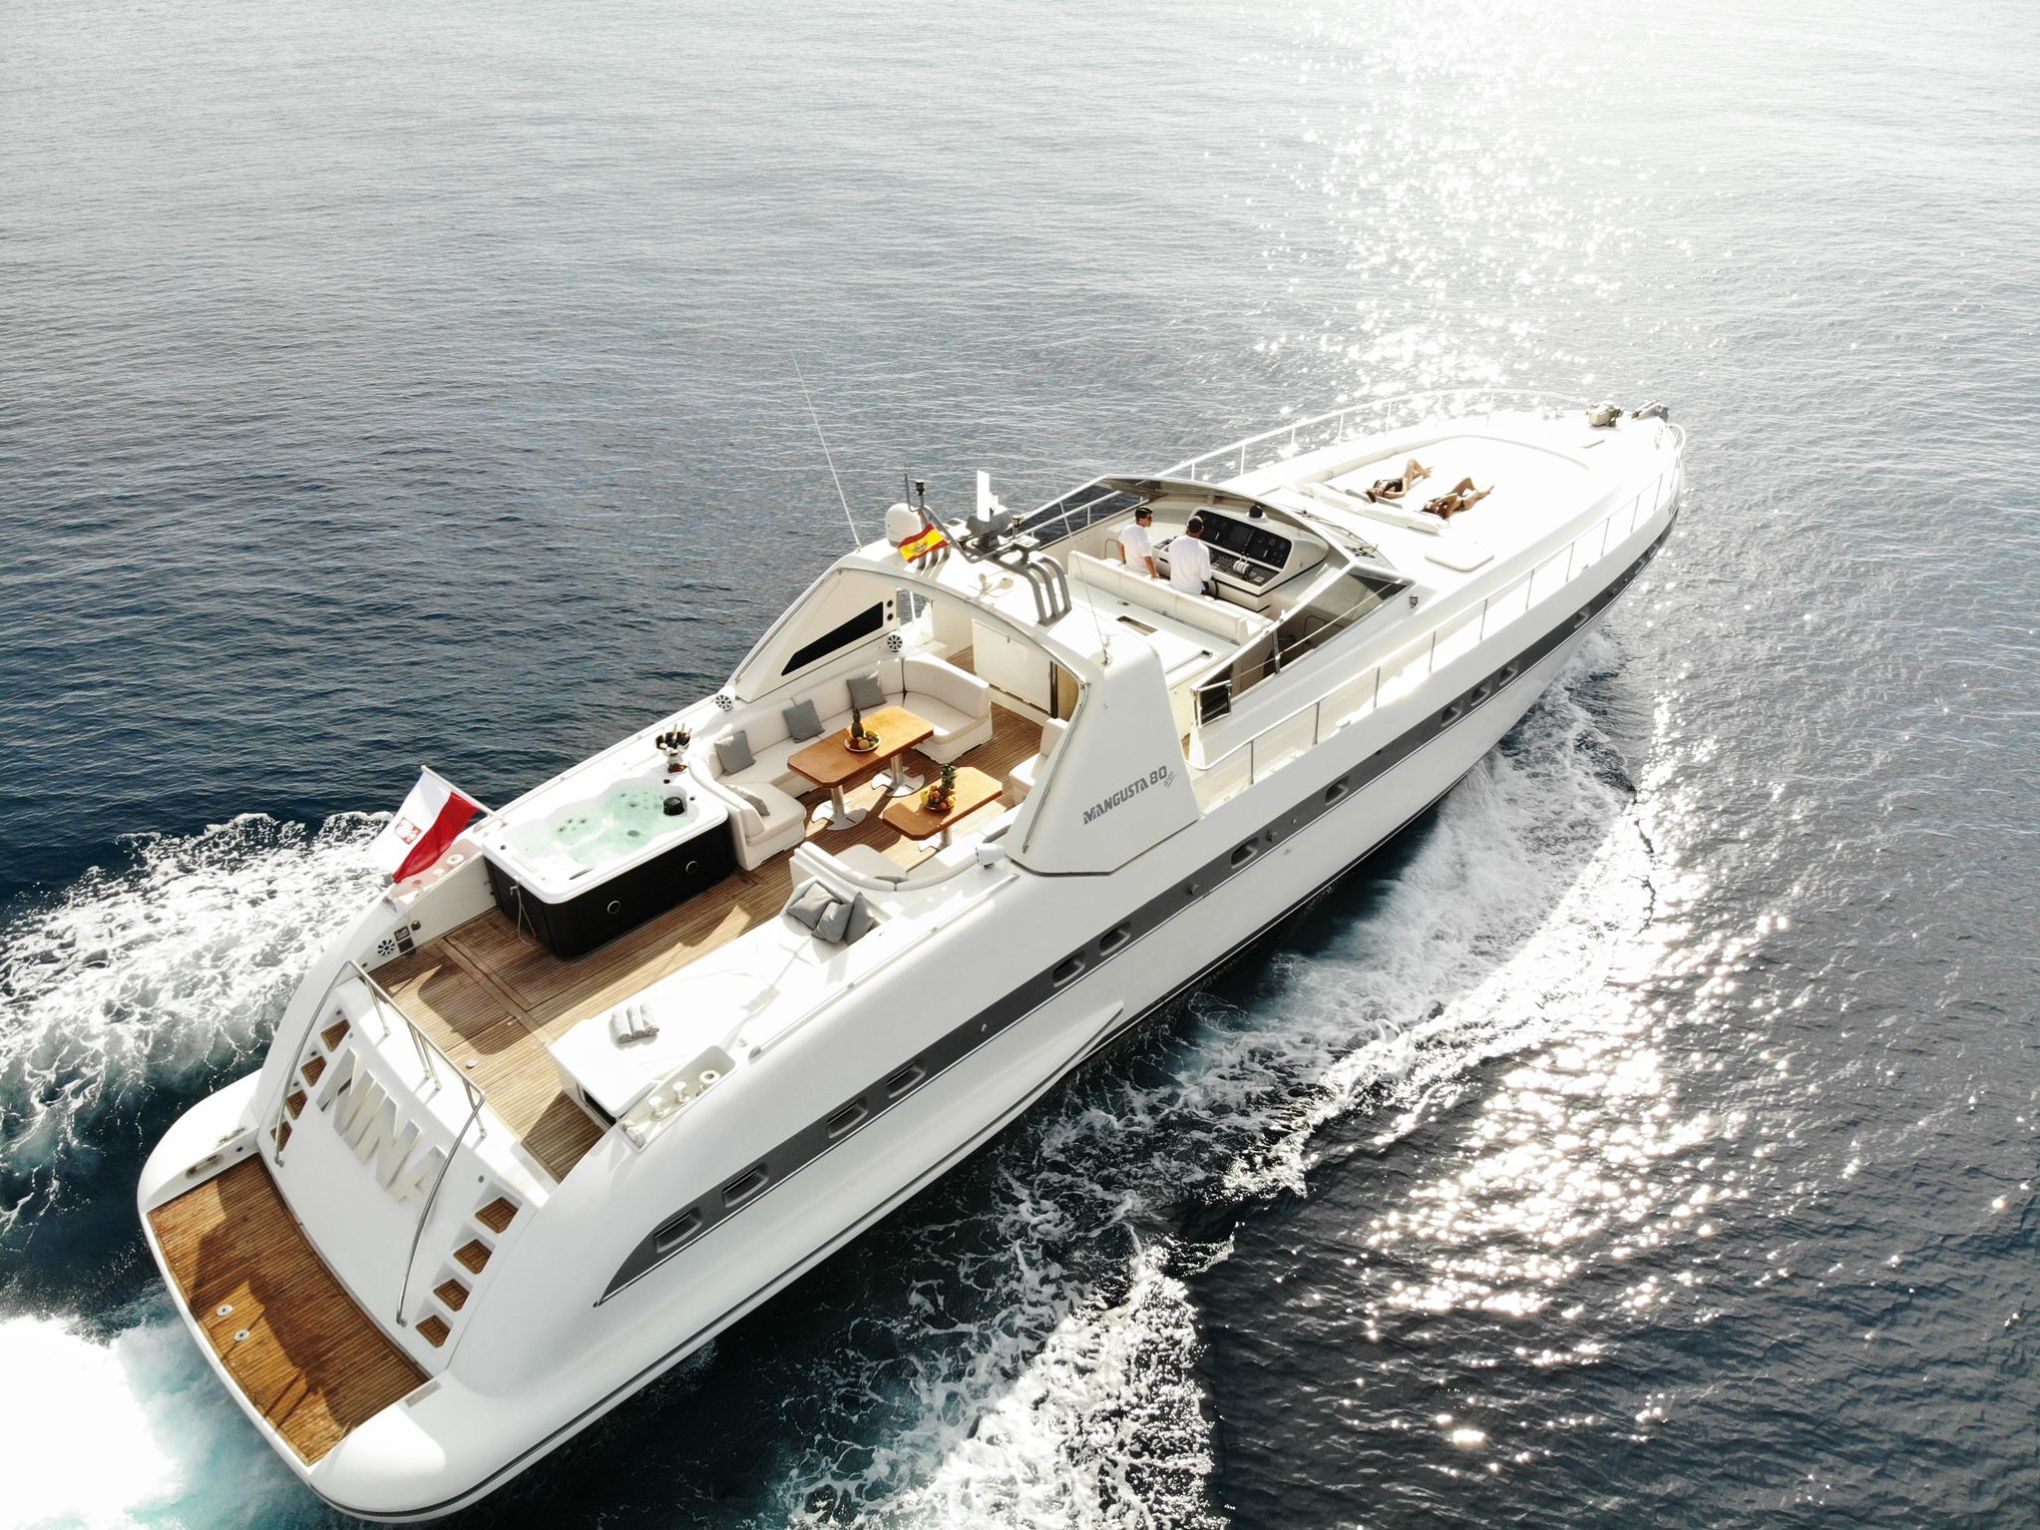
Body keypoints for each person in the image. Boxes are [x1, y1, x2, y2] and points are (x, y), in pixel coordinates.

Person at [1168, 514, 1214, 596]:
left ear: (1187, 527)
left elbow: (1171, 561)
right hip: (1193, 592)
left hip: (1174, 586)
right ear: (1201, 530)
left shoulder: (1175, 542)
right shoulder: (1203, 550)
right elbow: (1206, 577)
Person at [1117, 505, 1159, 577]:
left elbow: (1119, 544)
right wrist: (1155, 576)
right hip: (1143, 573)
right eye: (1149, 518)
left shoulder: (1127, 529)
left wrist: (1123, 560)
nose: (1152, 520)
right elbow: (1148, 560)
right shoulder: (1145, 538)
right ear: (1140, 519)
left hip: (1129, 568)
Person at [1365, 459, 1432, 502]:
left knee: (1414, 472)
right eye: (1377, 493)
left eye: (1374, 490)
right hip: (1404, 483)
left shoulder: (1377, 483)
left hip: (1399, 480)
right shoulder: (1387, 494)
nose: (1377, 491)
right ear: (1378, 497)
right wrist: (1404, 482)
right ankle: (1426, 474)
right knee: (1411, 461)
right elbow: (1402, 494)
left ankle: (1423, 472)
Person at [1423, 478, 1493, 519]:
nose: (1433, 506)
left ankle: (1475, 492)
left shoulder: (1432, 504)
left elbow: (1425, 504)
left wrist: (1432, 504)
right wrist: (1437, 502)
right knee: (1476, 492)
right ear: (1435, 512)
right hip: (1464, 502)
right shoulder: (1445, 512)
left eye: (1431, 506)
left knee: (1467, 479)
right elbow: (1455, 496)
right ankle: (1486, 491)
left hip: (1450, 495)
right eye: (1433, 508)